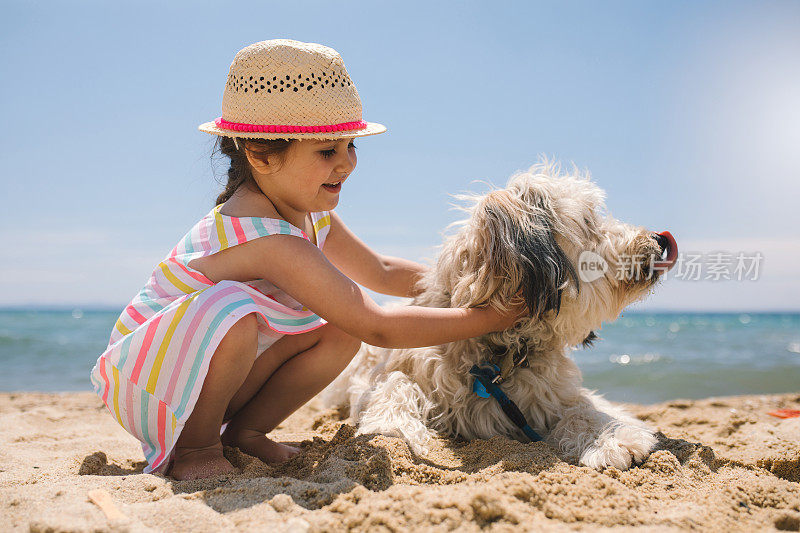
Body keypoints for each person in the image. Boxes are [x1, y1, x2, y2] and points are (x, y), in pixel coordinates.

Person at [89, 39, 528, 480]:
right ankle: (195, 448)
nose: (348, 164)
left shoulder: (308, 212)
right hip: (152, 378)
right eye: (326, 152)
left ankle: (247, 434)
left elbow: (381, 272)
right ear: (261, 155)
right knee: (241, 314)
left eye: (350, 146)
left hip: (215, 374)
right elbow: (378, 325)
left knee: (339, 329)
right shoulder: (264, 236)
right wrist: (488, 316)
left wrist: (465, 287)